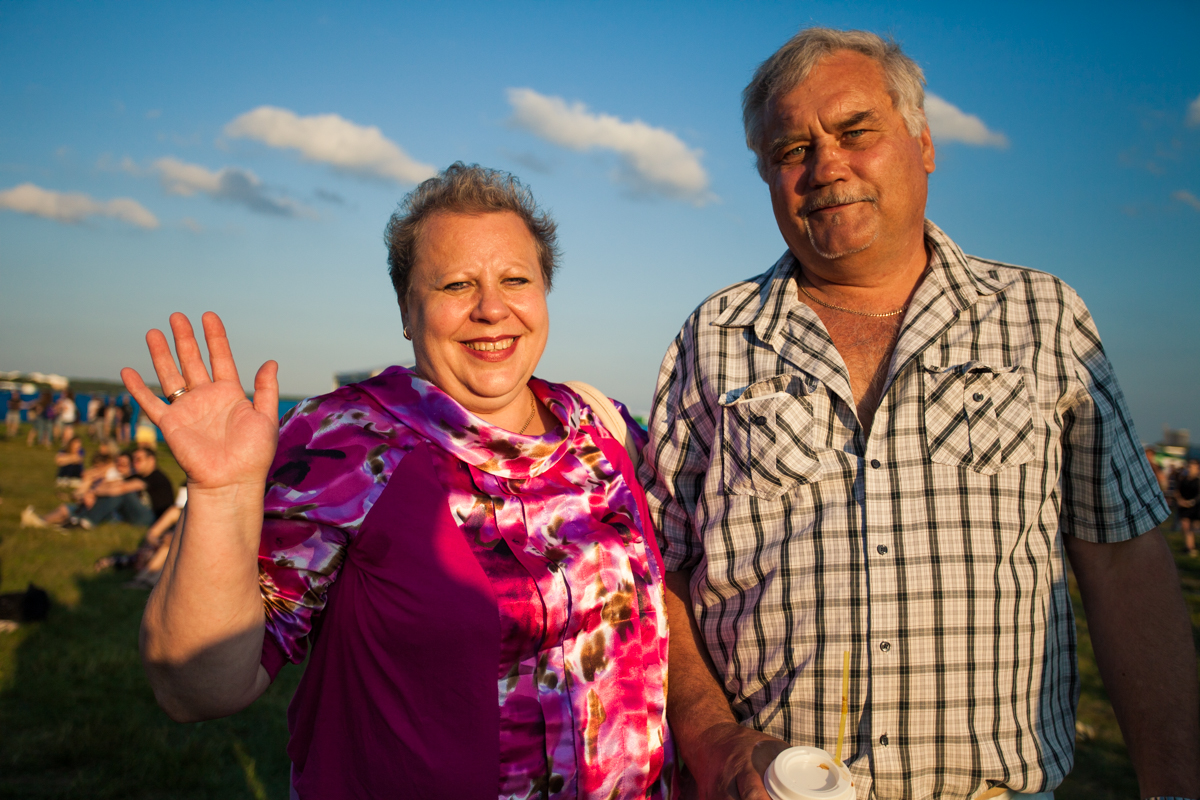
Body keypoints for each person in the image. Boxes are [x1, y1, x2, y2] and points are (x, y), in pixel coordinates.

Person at [641, 27, 1199, 800]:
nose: (825, 165)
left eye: (855, 131)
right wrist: (709, 738)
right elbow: (653, 571)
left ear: (923, 143)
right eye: (790, 150)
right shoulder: (716, 338)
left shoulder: (1043, 317)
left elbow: (1122, 558)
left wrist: (1175, 784)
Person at [125, 163, 674, 799]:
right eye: (455, 284)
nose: (491, 308)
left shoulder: (598, 425)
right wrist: (221, 494)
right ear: (407, 311)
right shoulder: (351, 440)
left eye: (515, 280)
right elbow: (199, 688)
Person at [23, 446, 173, 530]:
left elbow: (120, 489)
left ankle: (84, 522)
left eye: (139, 460)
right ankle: (41, 522)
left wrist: (95, 492)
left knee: (122, 494)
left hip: (151, 520)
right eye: (134, 460)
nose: (135, 463)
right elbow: (110, 485)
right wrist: (93, 493)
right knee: (74, 507)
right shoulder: (138, 476)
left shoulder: (155, 477)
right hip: (129, 516)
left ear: (151, 460)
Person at [1175, 459, 1200, 558]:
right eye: (1190, 467)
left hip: (1195, 507)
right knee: (1185, 526)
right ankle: (1189, 547)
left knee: (1193, 527)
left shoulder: (1198, 482)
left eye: (1194, 467)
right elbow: (1177, 491)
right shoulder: (1183, 480)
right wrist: (1180, 500)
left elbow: (1198, 495)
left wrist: (1191, 502)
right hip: (1184, 506)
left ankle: (1190, 547)